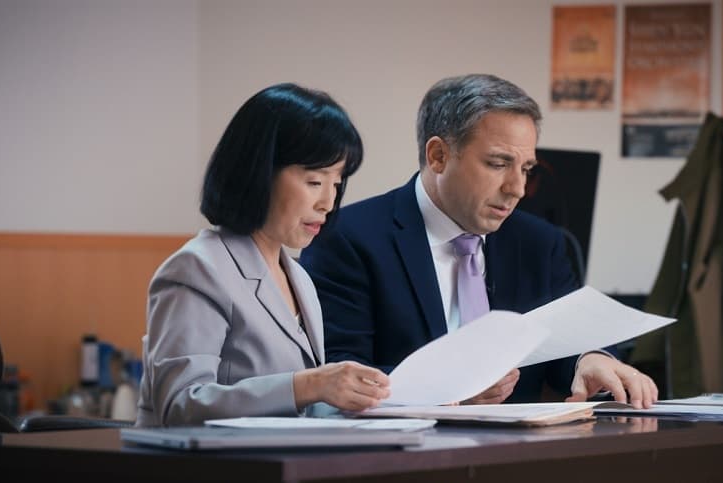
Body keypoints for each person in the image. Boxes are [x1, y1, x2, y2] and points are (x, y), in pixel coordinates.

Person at [300, 74, 658, 408]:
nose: (517, 188)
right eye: (498, 164)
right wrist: (445, 390)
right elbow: (338, 376)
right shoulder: (347, 237)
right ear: (438, 156)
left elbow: (568, 340)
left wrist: (590, 359)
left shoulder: (539, 242)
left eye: (526, 168)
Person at [136, 83, 390, 427]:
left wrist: (381, 401)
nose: (328, 203)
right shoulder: (197, 268)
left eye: (337, 183)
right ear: (259, 171)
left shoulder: (299, 278)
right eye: (315, 182)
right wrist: (310, 384)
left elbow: (303, 409)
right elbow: (179, 406)